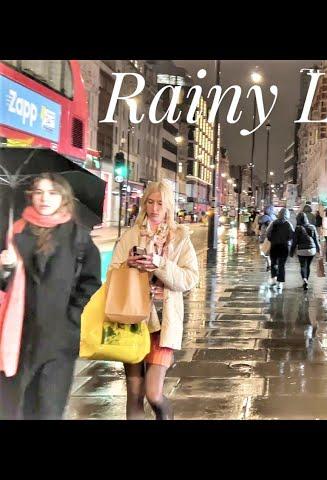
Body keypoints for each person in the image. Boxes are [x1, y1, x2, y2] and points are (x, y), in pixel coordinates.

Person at [0, 173, 101, 419]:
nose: (44, 198)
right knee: (15, 409)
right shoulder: (15, 230)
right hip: (19, 338)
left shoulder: (78, 236)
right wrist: (6, 268)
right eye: (39, 192)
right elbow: (4, 286)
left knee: (48, 410)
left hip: (59, 340)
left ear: (64, 198)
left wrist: (72, 315)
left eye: (52, 192)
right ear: (31, 196)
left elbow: (91, 280)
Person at [108, 179, 199, 420]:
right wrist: (128, 264)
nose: (154, 208)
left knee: (153, 393)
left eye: (160, 203)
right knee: (134, 394)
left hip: (164, 323)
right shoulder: (131, 235)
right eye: (150, 201)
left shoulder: (180, 238)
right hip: (133, 320)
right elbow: (112, 273)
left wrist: (158, 264)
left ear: (168, 206)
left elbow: (189, 279)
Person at [290, 212, 321, 291]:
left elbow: (294, 242)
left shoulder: (298, 228)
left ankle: (304, 279)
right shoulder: (312, 227)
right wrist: (318, 249)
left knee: (303, 265)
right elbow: (316, 240)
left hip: (302, 250)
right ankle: (306, 280)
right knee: (308, 266)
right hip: (312, 250)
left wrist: (291, 251)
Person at [266, 208, 294, 291]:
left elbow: (268, 233)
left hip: (274, 246)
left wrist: (272, 239)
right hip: (284, 246)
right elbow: (291, 234)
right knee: (282, 264)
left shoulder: (273, 223)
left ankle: (273, 279)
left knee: (273, 262)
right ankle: (280, 283)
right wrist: (287, 240)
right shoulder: (288, 224)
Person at [258, 206, 277, 271]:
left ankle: (269, 264)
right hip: (269, 236)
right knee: (267, 251)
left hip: (266, 237)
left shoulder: (268, 217)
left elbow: (260, 221)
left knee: (265, 251)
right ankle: (270, 264)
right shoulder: (270, 217)